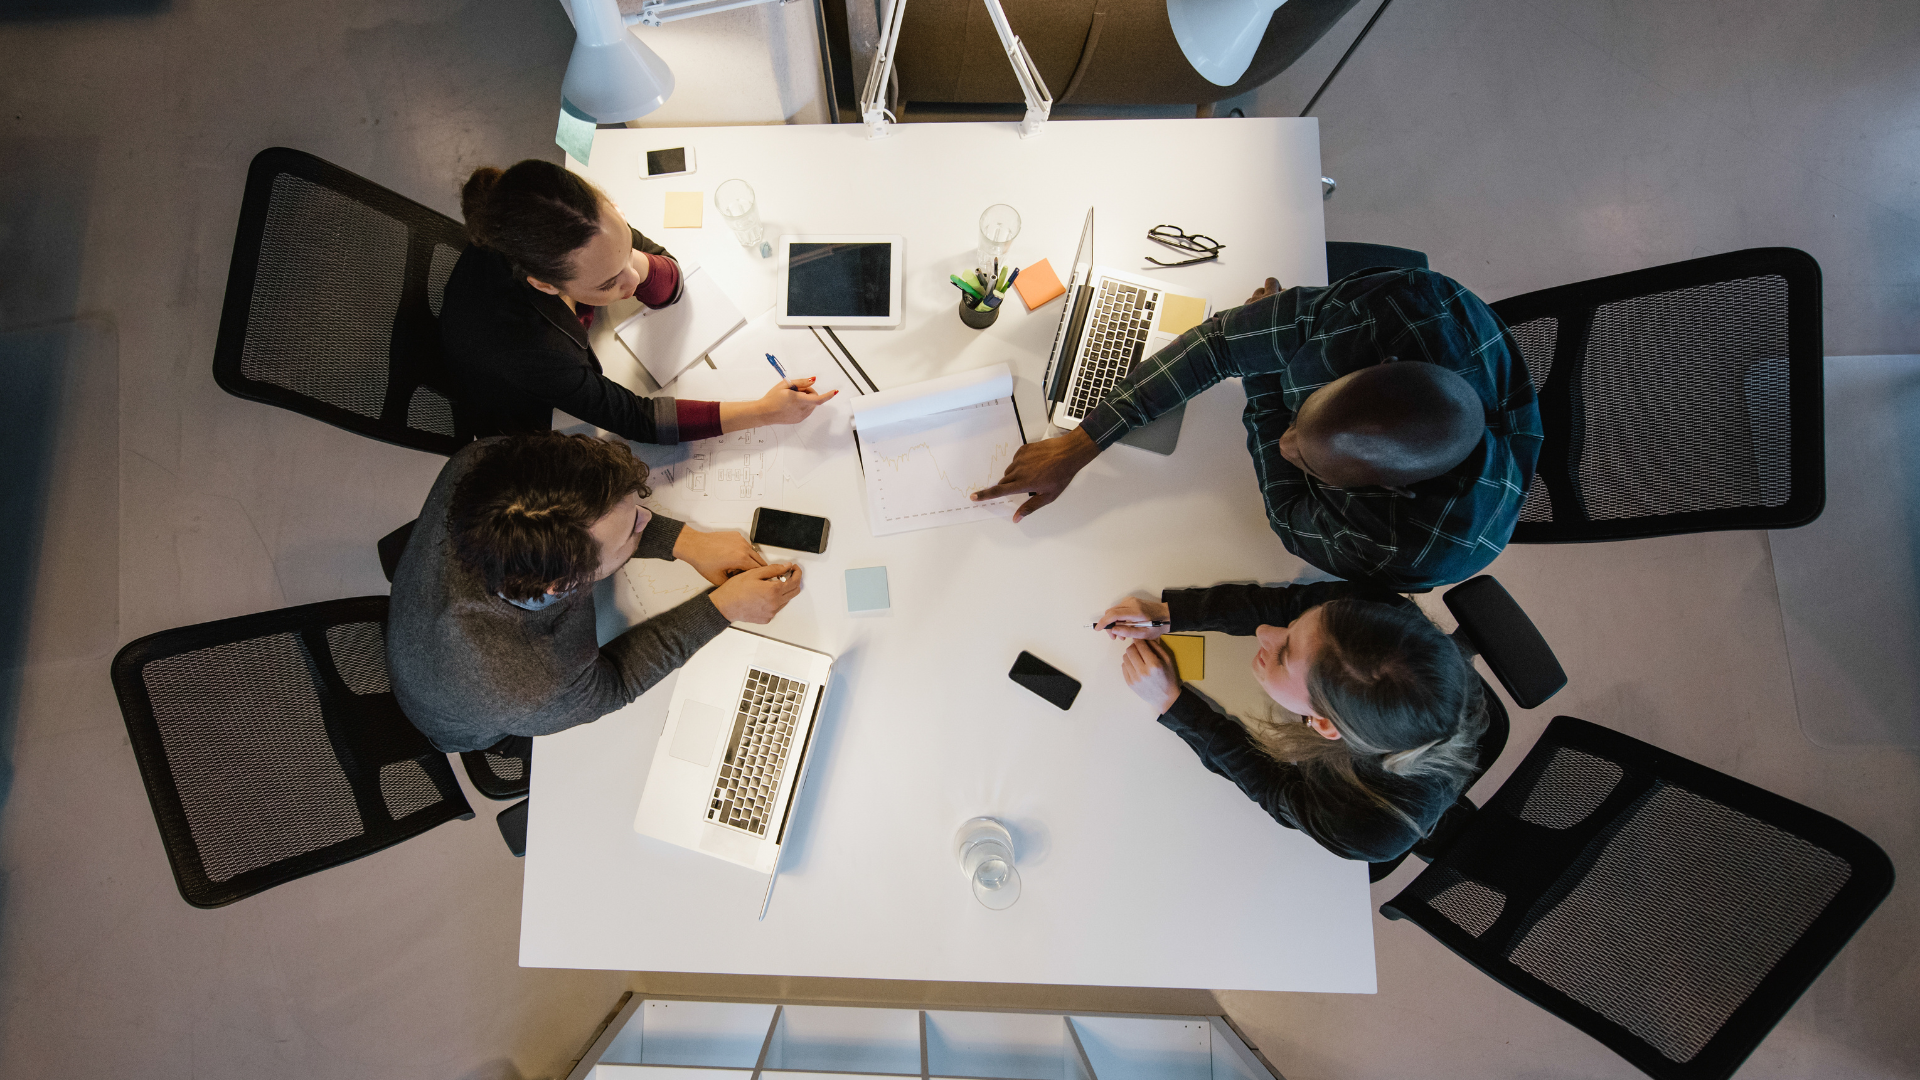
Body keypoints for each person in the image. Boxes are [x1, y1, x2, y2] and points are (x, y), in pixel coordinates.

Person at [973, 269, 1543, 589]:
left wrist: (1265, 380)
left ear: (1385, 490)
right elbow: (1220, 343)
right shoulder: (1396, 307)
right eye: (1311, 411)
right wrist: (1081, 442)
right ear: (1374, 368)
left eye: (1313, 462)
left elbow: (1288, 518)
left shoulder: (1406, 547)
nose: (1287, 446)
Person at [387, 431, 804, 753]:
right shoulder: (531, 685)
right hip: (477, 717)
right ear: (562, 584)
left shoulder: (485, 462)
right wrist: (721, 608)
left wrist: (686, 542)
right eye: (633, 530)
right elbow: (614, 684)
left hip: (430, 623)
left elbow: (600, 522)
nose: (646, 521)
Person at [442, 159, 834, 444]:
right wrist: (763, 412)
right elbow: (636, 419)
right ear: (545, 286)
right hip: (532, 419)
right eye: (609, 283)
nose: (632, 282)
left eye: (626, 247)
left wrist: (627, 260)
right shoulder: (524, 343)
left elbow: (671, 286)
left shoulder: (575, 222)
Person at [1097, 580, 1487, 863]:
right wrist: (1172, 614)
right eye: (1297, 627)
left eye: (1283, 654)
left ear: (1325, 726)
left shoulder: (1367, 828)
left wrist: (1174, 703)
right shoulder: (1383, 614)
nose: (1265, 634)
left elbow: (1273, 788)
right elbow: (1291, 603)